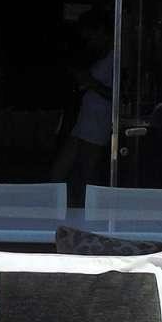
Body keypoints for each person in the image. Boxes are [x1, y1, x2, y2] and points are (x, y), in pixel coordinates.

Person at [51, 11, 114, 202]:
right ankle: (58, 208)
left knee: (88, 173)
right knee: (59, 171)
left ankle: (89, 213)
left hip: (97, 120)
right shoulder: (100, 55)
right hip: (84, 119)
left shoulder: (115, 58)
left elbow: (117, 94)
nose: (88, 41)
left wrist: (90, 82)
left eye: (91, 35)